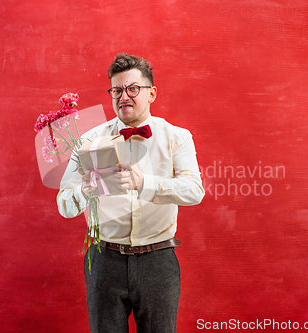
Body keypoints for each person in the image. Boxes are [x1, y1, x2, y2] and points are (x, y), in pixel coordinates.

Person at [57, 53, 204, 333]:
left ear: (152, 94)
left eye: (133, 88)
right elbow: (64, 204)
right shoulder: (88, 141)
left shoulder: (177, 137)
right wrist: (81, 192)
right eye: (117, 90)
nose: (124, 96)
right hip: (104, 260)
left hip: (158, 261)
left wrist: (144, 183)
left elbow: (194, 191)